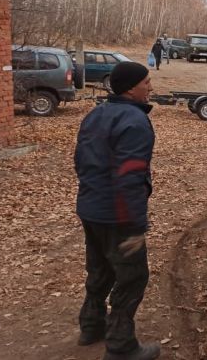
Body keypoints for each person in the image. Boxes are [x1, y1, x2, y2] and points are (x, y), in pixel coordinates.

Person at [74, 61, 160, 360]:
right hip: (116, 215)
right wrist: (134, 226)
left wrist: (91, 197)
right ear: (130, 88)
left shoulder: (95, 114)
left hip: (89, 208)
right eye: (146, 82)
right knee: (133, 276)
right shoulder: (135, 122)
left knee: (99, 269)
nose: (151, 87)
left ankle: (91, 326)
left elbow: (80, 162)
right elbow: (130, 177)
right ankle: (121, 346)